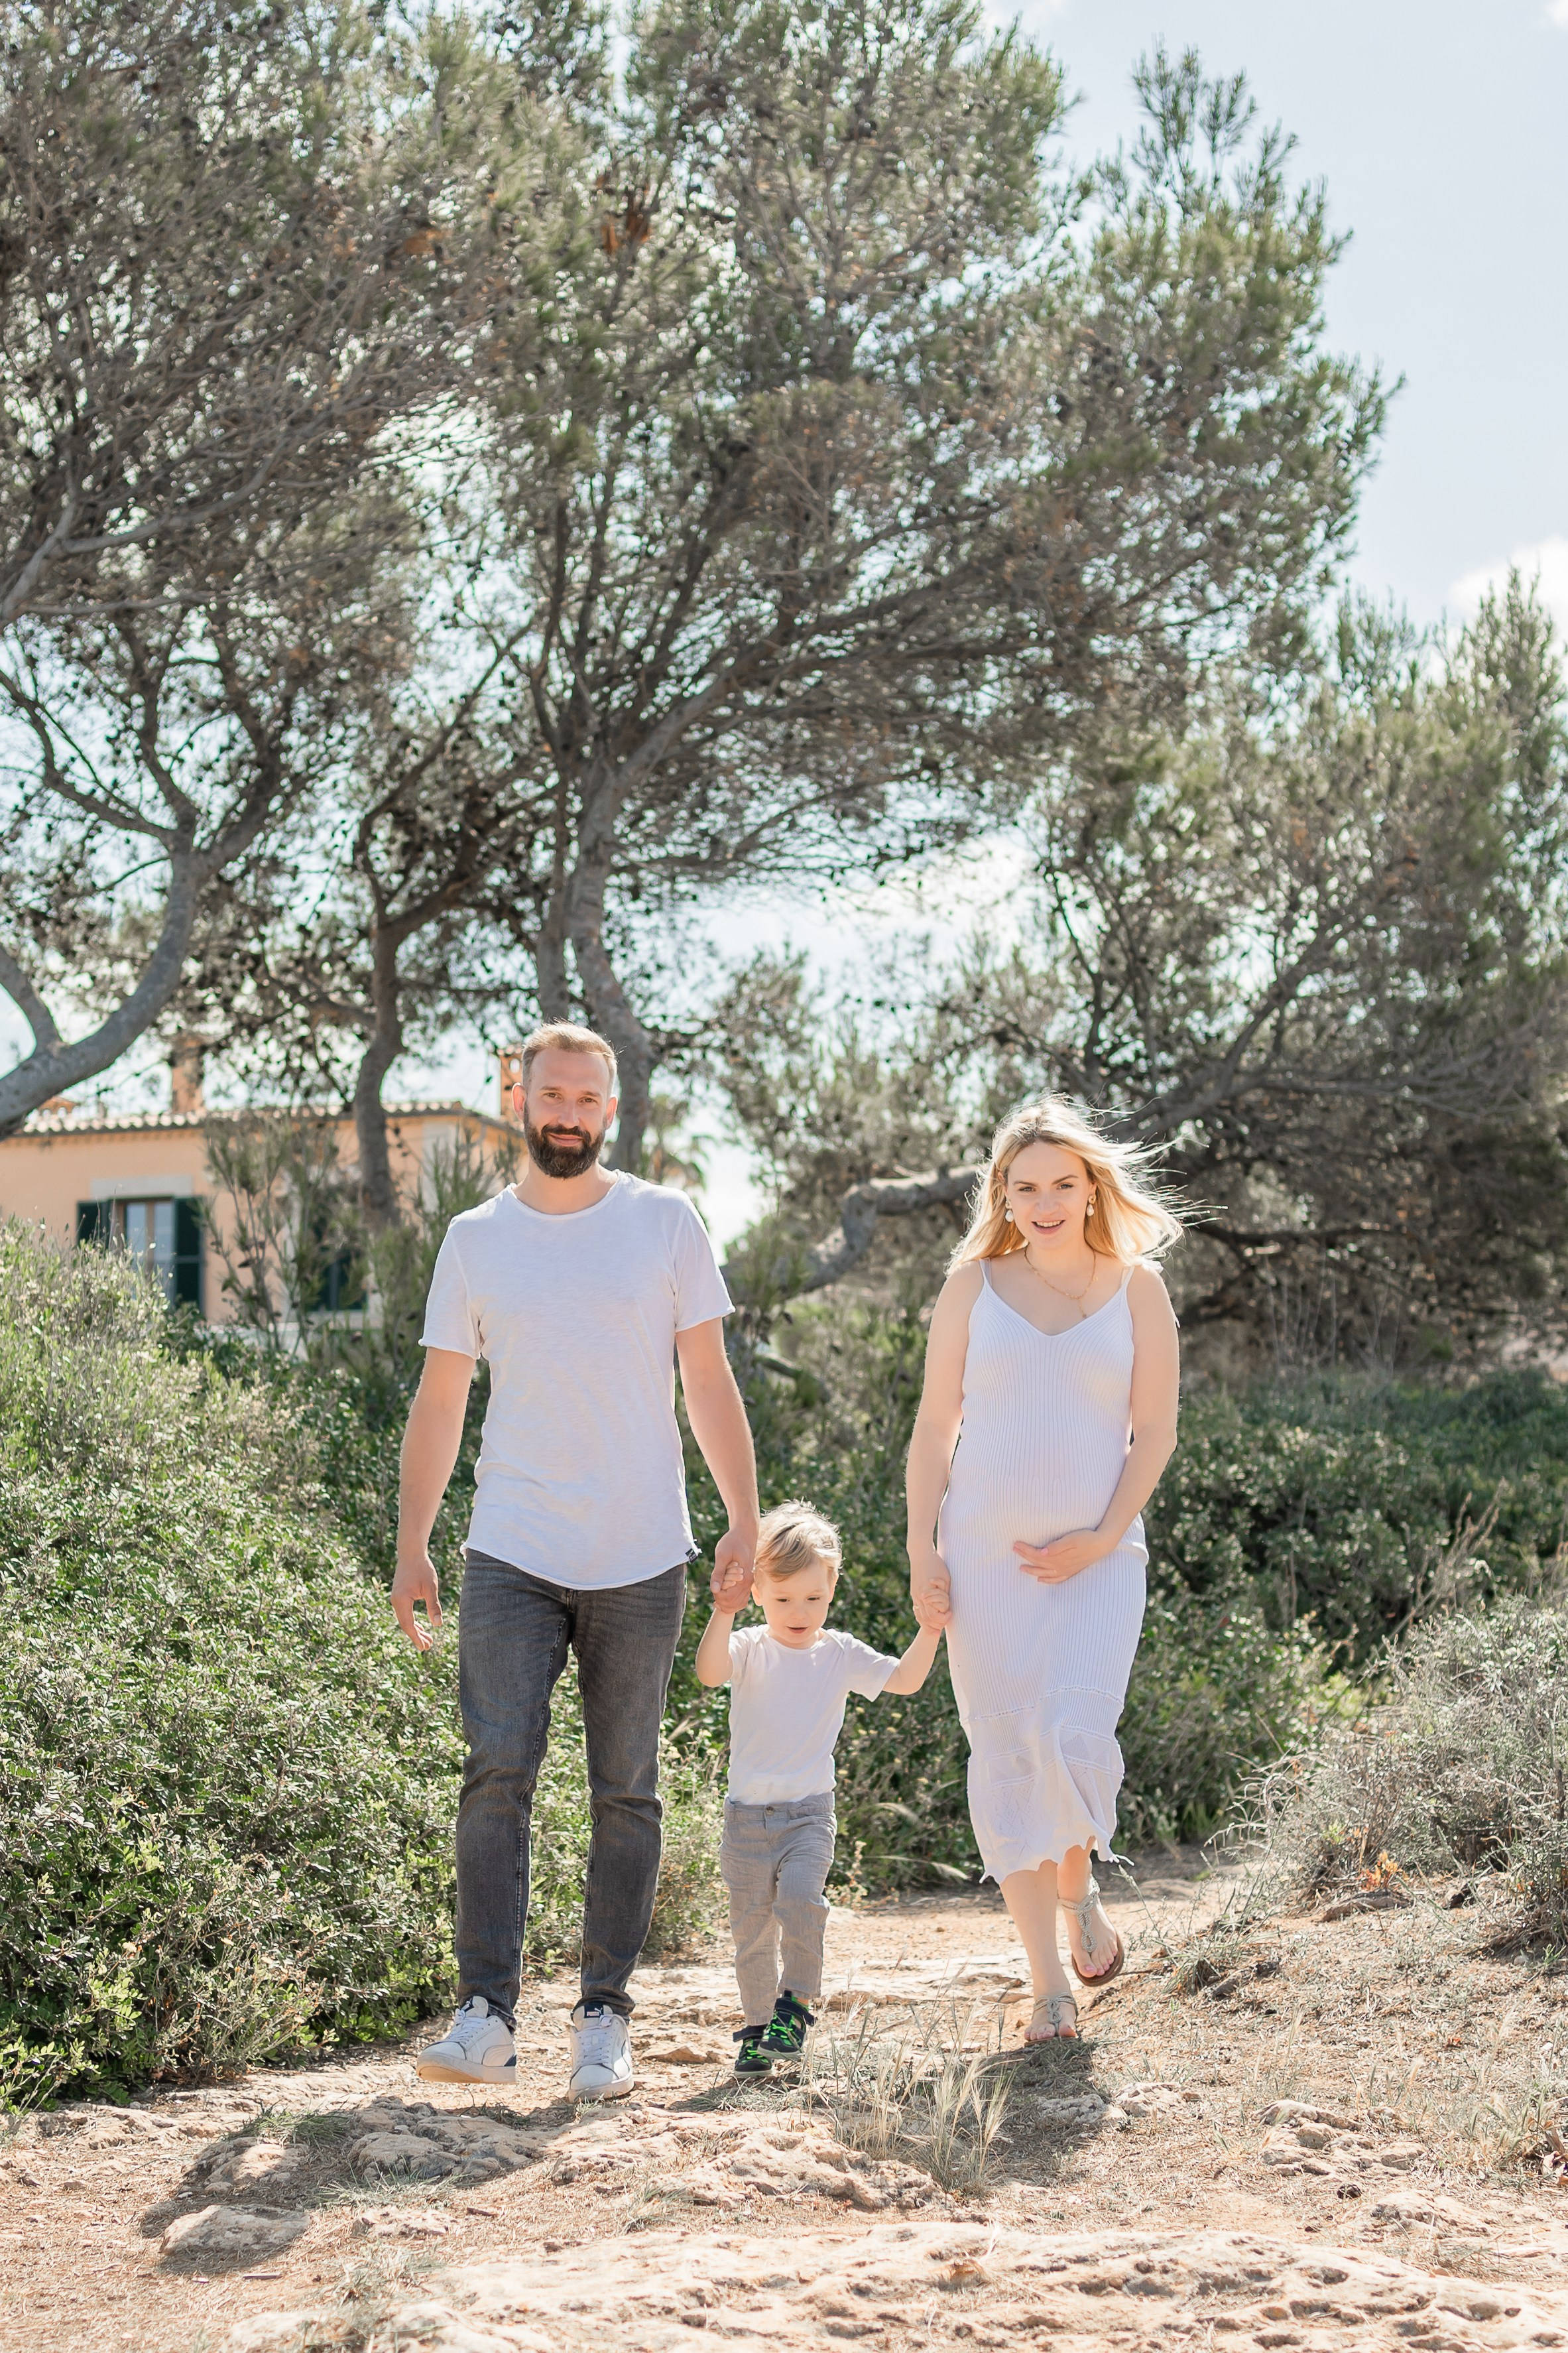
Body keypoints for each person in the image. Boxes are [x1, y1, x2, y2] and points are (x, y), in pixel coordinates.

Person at [391, 1021, 760, 2102]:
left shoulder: (664, 1222)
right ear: (519, 1095)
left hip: (643, 1554)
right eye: (551, 1094)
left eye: (585, 1098)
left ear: (609, 1106)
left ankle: (604, 2015)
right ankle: (487, 2014)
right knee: (496, 1769)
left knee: (626, 1789)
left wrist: (743, 1514)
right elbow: (441, 1395)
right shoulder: (476, 1237)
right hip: (511, 1546)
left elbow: (710, 1379)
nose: (567, 1113)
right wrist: (413, 1539)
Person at [905, 1099, 1183, 2043]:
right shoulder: (971, 1286)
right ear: (1004, 1194)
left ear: (1092, 1186)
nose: (1045, 1202)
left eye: (1062, 1183)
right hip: (985, 1560)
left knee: (1070, 1737)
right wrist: (920, 1548)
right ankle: (1045, 1987)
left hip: (1102, 1561)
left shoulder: (1137, 1286)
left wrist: (1103, 1537)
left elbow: (1157, 1433)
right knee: (1011, 1751)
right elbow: (933, 1431)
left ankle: (1079, 1892)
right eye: (1025, 1186)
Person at [694, 1499, 942, 2074]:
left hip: (808, 1813)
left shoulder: (839, 1653)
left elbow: (904, 1680)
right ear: (757, 1590)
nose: (798, 1611)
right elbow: (708, 1672)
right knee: (751, 1932)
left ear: (831, 1587)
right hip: (745, 1820)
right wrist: (723, 1613)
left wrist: (930, 1629)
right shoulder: (751, 1646)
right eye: (782, 1598)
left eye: (813, 1597)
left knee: (803, 1903)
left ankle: (794, 2006)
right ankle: (758, 2029)